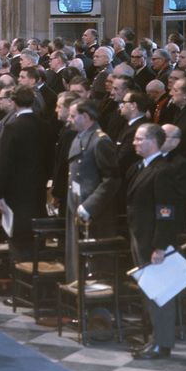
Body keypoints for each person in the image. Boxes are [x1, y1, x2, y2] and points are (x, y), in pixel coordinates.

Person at [126, 123, 179, 360]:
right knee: (149, 292)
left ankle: (162, 343)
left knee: (160, 293)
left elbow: (165, 210)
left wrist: (160, 245)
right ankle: (153, 339)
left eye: (139, 139)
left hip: (153, 242)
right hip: (140, 236)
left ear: (153, 142)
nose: (134, 143)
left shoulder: (162, 170)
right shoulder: (141, 167)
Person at [65, 99, 120, 282]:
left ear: (86, 117)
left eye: (73, 116)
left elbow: (111, 179)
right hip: (77, 205)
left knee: (96, 265)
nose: (69, 119)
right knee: (78, 259)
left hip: (94, 212)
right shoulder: (80, 136)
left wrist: (90, 206)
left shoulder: (100, 141)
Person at [0, 85, 50, 261]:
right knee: (37, 230)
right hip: (38, 188)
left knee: (18, 235)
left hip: (16, 191)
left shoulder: (12, 127)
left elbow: (4, 163)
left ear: (13, 102)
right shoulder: (44, 125)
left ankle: (20, 275)